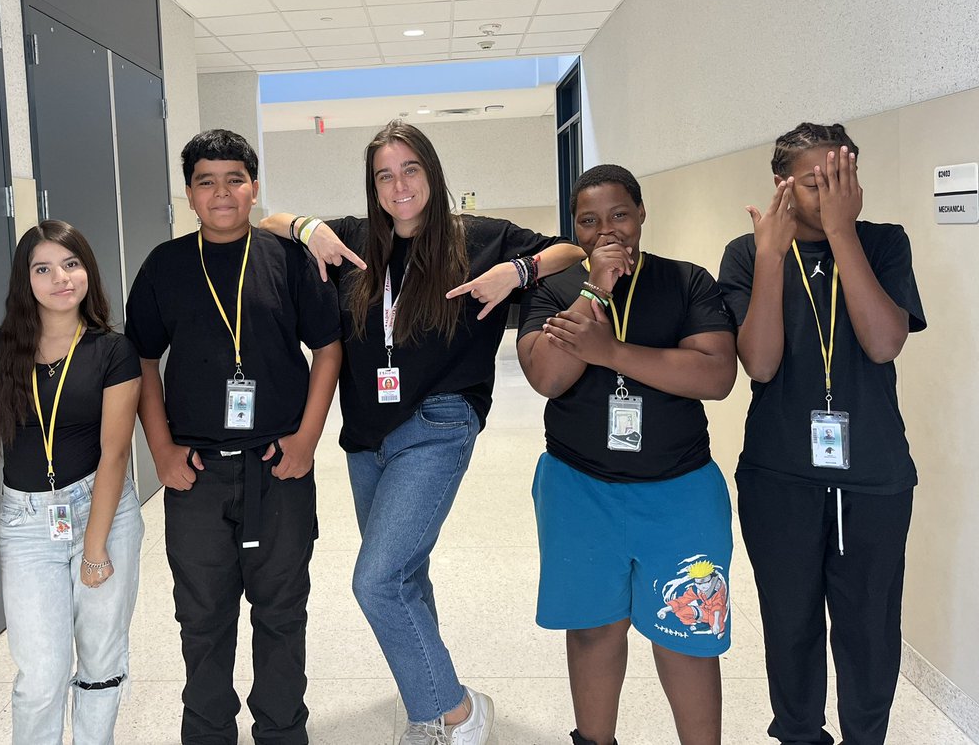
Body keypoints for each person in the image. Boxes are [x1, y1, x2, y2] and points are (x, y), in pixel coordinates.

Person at [260, 120, 584, 745]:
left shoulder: (481, 238)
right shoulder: (354, 241)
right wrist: (307, 228)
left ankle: (457, 712)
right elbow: (271, 222)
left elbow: (570, 250)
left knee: (375, 579)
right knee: (406, 575)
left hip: (438, 423)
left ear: (432, 174)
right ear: (373, 185)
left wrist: (517, 271)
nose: (399, 184)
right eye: (385, 174)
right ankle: (428, 710)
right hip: (366, 437)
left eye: (410, 169)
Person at [125, 129, 342, 745]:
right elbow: (141, 360)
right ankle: (208, 732)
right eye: (205, 182)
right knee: (202, 617)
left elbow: (327, 349)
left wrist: (306, 440)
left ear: (253, 188)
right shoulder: (166, 266)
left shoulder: (288, 259)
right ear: (189, 194)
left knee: (281, 613)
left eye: (234, 180)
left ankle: (281, 731)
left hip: (280, 466)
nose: (221, 193)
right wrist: (161, 450)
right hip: (195, 472)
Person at [718, 123, 925, 745]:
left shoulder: (883, 243)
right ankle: (800, 734)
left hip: (874, 478)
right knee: (790, 624)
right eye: (816, 182)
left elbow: (885, 342)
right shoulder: (746, 252)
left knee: (869, 626)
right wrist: (771, 256)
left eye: (844, 177)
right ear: (783, 187)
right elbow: (758, 363)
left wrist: (841, 232)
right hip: (779, 475)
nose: (833, 191)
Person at [517, 164, 738, 745]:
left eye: (619, 214)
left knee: (687, 636)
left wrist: (610, 352)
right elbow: (547, 376)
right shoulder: (554, 291)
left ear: (641, 214)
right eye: (588, 221)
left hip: (681, 488)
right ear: (575, 229)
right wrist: (595, 290)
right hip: (577, 487)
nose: (605, 229)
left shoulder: (687, 281)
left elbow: (716, 375)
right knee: (593, 629)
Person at [0, 220, 144, 745]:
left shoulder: (113, 350)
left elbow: (115, 451)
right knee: (41, 674)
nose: (61, 278)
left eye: (71, 264)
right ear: (25, 280)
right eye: (43, 268)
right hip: (26, 522)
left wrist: (95, 545)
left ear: (88, 271)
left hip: (102, 511)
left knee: (102, 661)